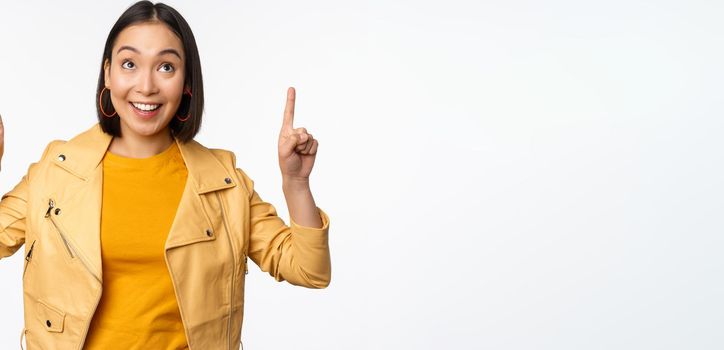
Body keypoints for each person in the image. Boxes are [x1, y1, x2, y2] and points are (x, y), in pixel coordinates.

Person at [0, 1, 331, 349]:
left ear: (187, 82)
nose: (146, 86)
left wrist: (296, 184)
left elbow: (310, 270)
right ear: (108, 72)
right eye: (130, 64)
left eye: (166, 67)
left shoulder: (223, 182)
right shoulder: (57, 171)